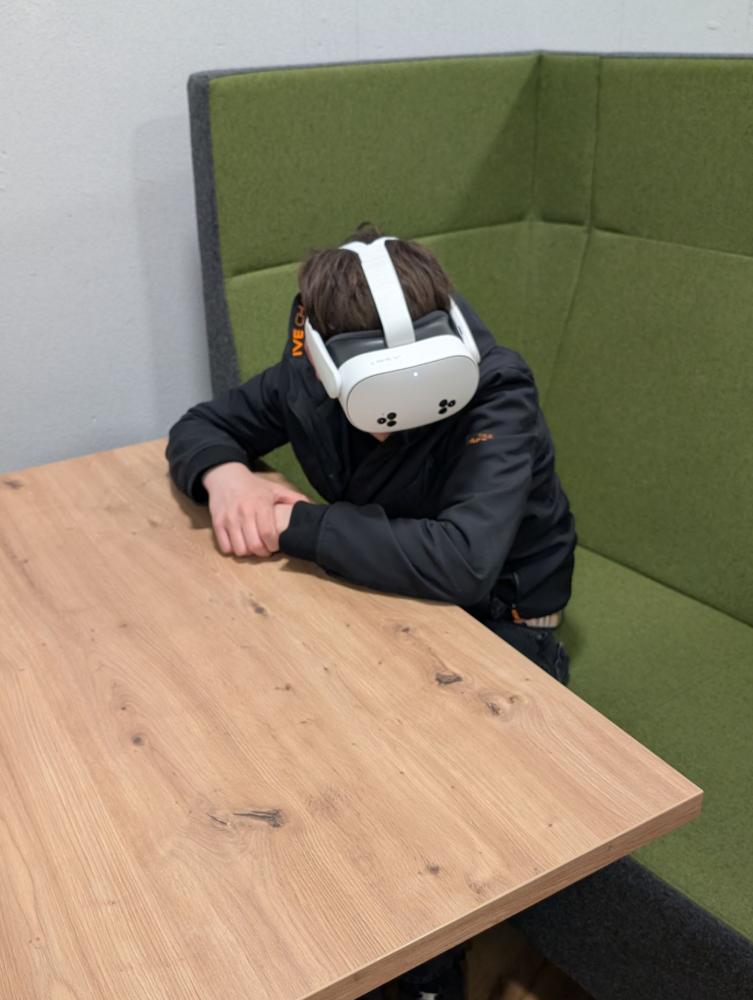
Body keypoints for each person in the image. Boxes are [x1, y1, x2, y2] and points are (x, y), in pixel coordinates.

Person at [166, 221, 577, 1000]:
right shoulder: (303, 380)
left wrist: (297, 524)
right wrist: (227, 476)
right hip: (381, 593)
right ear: (325, 361)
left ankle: (423, 975)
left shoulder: (497, 389)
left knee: (426, 817)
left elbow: (463, 561)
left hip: (501, 616)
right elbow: (202, 425)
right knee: (278, 752)